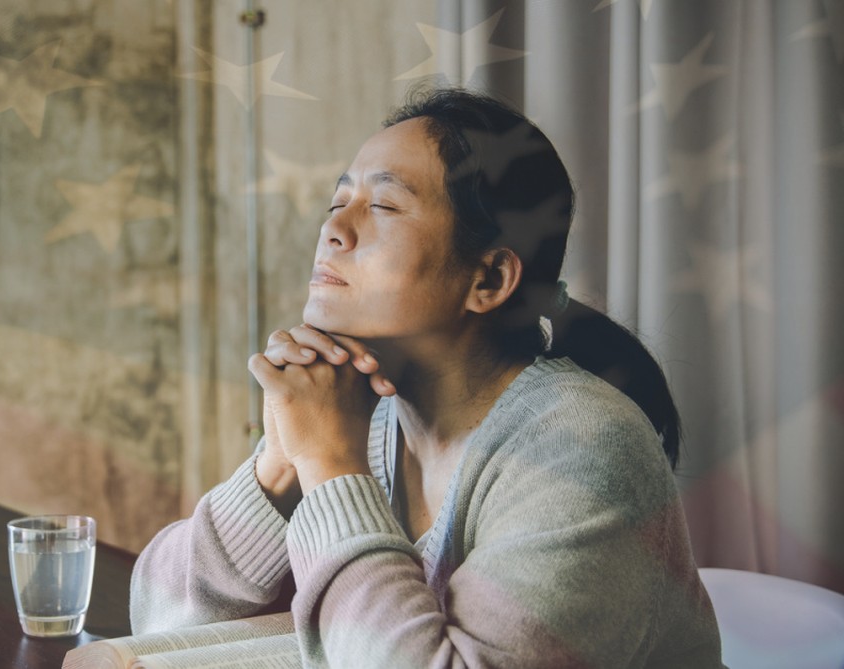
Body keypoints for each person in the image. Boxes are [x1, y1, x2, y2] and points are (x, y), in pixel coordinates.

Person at [129, 87, 722, 667]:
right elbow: (157, 617)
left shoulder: (586, 446)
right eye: (337, 202)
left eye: (383, 206)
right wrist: (281, 465)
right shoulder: (361, 411)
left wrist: (333, 473)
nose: (335, 230)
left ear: (488, 279)